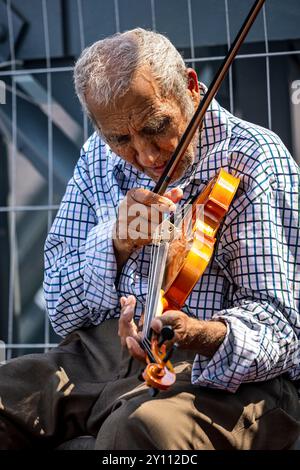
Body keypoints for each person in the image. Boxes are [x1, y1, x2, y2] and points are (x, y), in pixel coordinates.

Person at [0, 28, 300, 450]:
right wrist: (115, 248)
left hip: (219, 377)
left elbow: (284, 326)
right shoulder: (96, 156)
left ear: (192, 88)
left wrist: (199, 332)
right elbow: (61, 308)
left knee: (139, 431)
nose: (147, 157)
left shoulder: (254, 157)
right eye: (121, 139)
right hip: (103, 357)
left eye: (157, 126)